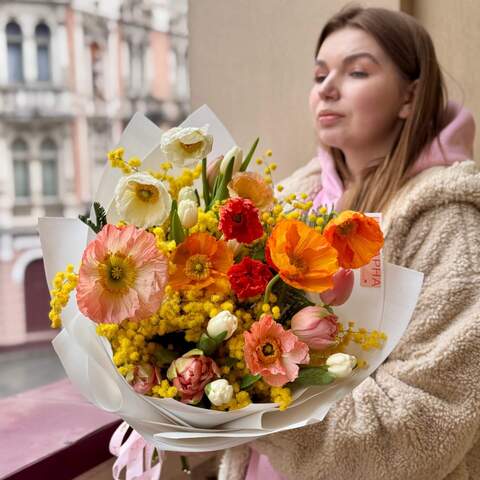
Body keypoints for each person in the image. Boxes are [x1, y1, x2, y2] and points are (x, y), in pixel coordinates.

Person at [218, 6, 480, 480]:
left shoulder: (449, 222)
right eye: (320, 74)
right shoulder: (291, 201)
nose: (326, 88)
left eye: (356, 71)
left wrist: (253, 406)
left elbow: (431, 418)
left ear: (409, 96)